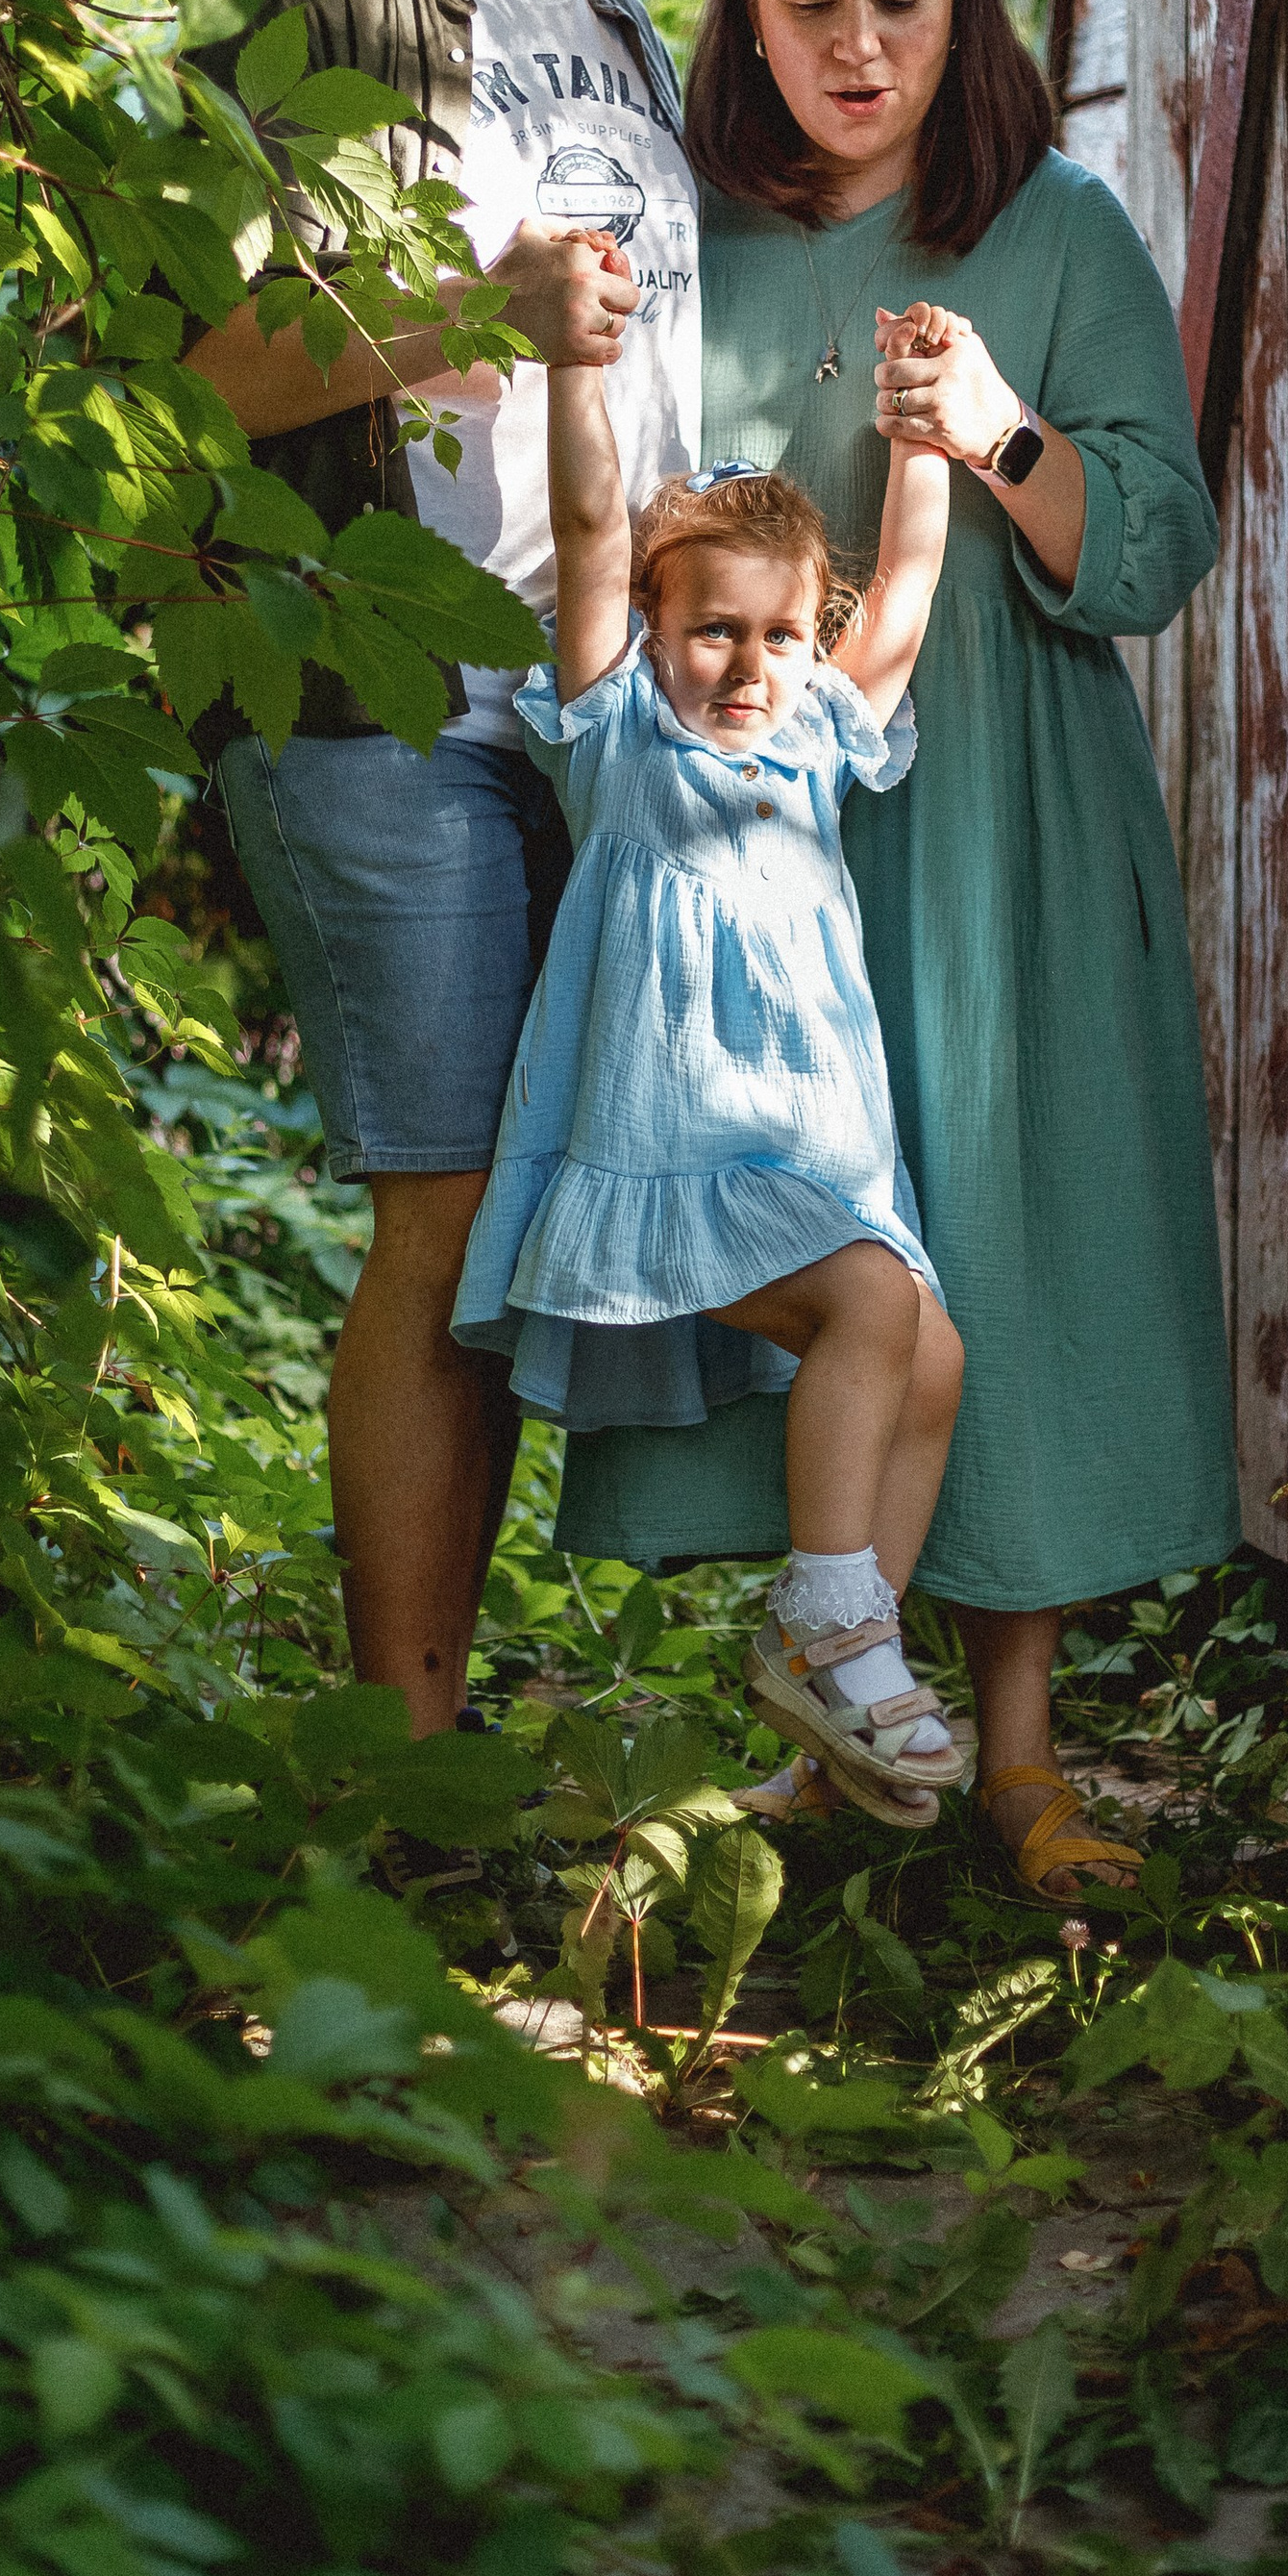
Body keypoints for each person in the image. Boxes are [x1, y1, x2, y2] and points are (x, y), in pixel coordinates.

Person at [554, 0, 1241, 1902]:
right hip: (753, 851)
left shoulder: (1054, 227)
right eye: (811, 0)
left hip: (999, 829)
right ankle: (825, 1708)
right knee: (807, 1243)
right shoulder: (686, 237)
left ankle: (1019, 1756)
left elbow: (1151, 550)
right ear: (746, 15)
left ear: (967, 3)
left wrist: (1003, 430)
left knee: (998, 1238)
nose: (857, 45)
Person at [183, 0, 701, 1738]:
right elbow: (202, 370)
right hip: (379, 682)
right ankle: (404, 1753)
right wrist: (476, 309)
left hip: (607, 695)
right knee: (451, 1205)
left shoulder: (633, 30)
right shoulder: (317, 0)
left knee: (573, 1198)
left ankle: (461, 1707)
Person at [451, 334, 971, 1819]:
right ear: (653, 627)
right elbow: (592, 528)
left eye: (782, 635)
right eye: (715, 633)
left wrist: (923, 442)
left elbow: (907, 588)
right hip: (680, 1147)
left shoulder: (818, 739)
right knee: (873, 1307)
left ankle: (831, 1724)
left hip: (814, 1147)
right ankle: (830, 1630)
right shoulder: (620, 736)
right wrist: (573, 366)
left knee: (933, 1360)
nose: (750, 666)